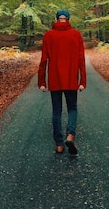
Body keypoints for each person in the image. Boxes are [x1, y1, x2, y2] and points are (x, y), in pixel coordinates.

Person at [38, 9, 86, 155]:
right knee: (72, 108)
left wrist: (42, 82)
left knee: (56, 111)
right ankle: (70, 135)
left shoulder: (49, 35)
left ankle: (59, 144)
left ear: (57, 19)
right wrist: (82, 80)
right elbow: (81, 59)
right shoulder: (76, 34)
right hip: (71, 79)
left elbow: (44, 60)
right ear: (68, 19)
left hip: (55, 79)